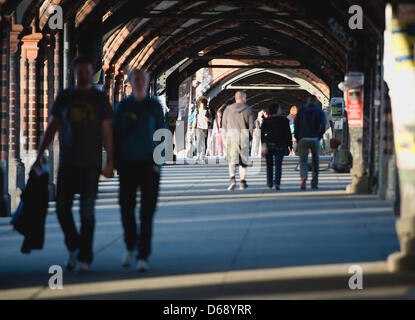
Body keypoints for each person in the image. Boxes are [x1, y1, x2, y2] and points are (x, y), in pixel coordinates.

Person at [33, 55, 115, 273]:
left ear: (91, 73)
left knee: (87, 213)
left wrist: (110, 162)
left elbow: (107, 130)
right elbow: (52, 126)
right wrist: (39, 154)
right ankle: (73, 245)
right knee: (61, 210)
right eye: (81, 73)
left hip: (91, 164)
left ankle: (84, 257)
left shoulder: (99, 98)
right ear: (74, 74)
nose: (85, 76)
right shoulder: (66, 96)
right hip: (68, 162)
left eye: (88, 72)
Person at [113, 69, 166, 272]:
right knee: (126, 208)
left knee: (147, 212)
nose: (140, 82)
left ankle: (143, 254)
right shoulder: (123, 106)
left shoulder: (154, 106)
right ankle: (129, 246)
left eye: (143, 79)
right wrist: (115, 162)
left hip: (148, 166)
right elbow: (116, 134)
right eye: (136, 79)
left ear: (147, 82)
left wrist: (158, 163)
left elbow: (162, 133)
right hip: (127, 164)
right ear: (130, 82)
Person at [222, 91, 254, 191]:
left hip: (231, 137)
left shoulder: (228, 109)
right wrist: (250, 138)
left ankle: (232, 179)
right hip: (243, 137)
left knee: (231, 161)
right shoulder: (248, 110)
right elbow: (251, 126)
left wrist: (225, 136)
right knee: (243, 162)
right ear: (243, 98)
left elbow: (224, 124)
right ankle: (243, 181)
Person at [294, 96, 327, 190]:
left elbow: (296, 124)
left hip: (303, 138)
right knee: (315, 161)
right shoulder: (320, 111)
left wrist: (298, 137)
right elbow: (323, 125)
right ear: (316, 101)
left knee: (303, 161)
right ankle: (314, 183)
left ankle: (303, 179)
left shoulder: (301, 111)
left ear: (307, 100)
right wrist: (319, 136)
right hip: (314, 138)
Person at [261, 103, 292, 190]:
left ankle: (269, 184)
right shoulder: (284, 120)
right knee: (278, 165)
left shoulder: (266, 121)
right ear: (277, 110)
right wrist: (290, 145)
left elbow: (262, 135)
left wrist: (263, 145)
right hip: (280, 145)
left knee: (269, 165)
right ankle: (277, 183)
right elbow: (288, 134)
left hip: (269, 145)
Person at [192, 96, 213, 162]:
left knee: (204, 142)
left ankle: (203, 156)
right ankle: (198, 155)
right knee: (198, 142)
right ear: (199, 104)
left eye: (203, 104)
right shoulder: (197, 111)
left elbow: (211, 120)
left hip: (205, 128)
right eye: (201, 104)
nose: (202, 105)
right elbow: (195, 119)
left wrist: (207, 119)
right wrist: (193, 128)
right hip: (198, 127)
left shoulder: (208, 111)